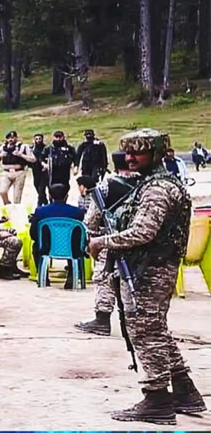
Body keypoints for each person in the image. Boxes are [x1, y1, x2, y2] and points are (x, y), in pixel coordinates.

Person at [87, 128, 203, 425]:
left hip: (150, 269)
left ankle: (157, 399)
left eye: (137, 152)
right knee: (156, 329)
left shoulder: (158, 189)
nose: (130, 158)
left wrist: (101, 242)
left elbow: (143, 232)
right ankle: (184, 390)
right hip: (149, 267)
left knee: (145, 332)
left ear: (156, 153)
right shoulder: (152, 183)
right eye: (128, 152)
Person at [75, 150, 140, 336]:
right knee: (135, 280)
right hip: (140, 240)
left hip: (109, 239)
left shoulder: (107, 186)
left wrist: (94, 239)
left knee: (104, 278)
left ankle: (102, 320)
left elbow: (91, 220)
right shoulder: (145, 183)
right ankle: (135, 322)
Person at [29, 183, 86, 288]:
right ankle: (71, 276)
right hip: (73, 249)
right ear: (66, 196)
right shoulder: (78, 212)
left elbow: (33, 234)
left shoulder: (41, 211)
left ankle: (43, 277)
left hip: (46, 248)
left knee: (36, 246)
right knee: (74, 241)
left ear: (50, 196)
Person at [0, 130, 36, 205]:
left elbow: (33, 159)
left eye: (13, 137)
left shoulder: (23, 147)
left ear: (16, 138)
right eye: (9, 138)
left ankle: (16, 208)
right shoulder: (3, 147)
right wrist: (0, 156)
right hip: (6, 172)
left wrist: (21, 155)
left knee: (17, 196)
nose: (11, 140)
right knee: (2, 191)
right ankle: (7, 203)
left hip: (19, 172)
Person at [30, 134, 49, 206]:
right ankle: (45, 200)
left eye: (39, 139)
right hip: (35, 170)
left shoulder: (46, 148)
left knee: (41, 188)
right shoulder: (32, 149)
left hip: (44, 171)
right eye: (36, 139)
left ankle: (40, 203)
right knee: (36, 186)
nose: (38, 140)